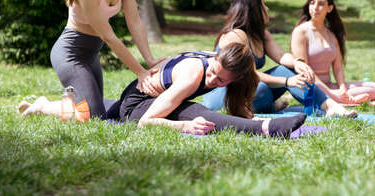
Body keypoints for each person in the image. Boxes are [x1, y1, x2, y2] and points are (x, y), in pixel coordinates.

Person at [18, 0, 162, 119]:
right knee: (93, 116)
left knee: (96, 109)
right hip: (70, 54)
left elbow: (134, 20)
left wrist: (149, 60)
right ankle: (42, 106)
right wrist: (140, 72)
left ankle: (63, 104)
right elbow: (109, 37)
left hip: (91, 53)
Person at [202, 0, 356, 117]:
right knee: (261, 89)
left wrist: (298, 63)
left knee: (290, 69)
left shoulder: (261, 34)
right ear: (254, 10)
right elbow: (248, 74)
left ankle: (329, 106)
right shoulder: (234, 36)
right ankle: (271, 106)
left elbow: (281, 56)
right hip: (222, 95)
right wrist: (287, 82)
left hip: (247, 90)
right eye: (264, 5)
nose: (267, 9)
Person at [120, 43, 307, 138]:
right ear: (215, 58)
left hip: (157, 99)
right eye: (212, 72)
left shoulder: (231, 70)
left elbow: (238, 99)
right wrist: (184, 126)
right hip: (135, 107)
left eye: (220, 80)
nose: (211, 80)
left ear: (237, 79)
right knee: (196, 113)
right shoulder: (193, 74)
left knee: (192, 111)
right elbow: (145, 122)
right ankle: (266, 129)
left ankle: (259, 125)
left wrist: (248, 117)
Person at [291, 0, 375, 104]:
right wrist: (330, 92)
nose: (315, 7)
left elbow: (338, 67)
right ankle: (341, 99)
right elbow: (304, 71)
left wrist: (342, 87)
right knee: (362, 91)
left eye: (321, 4)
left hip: (329, 86)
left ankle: (341, 97)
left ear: (330, 8)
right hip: (310, 86)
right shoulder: (300, 32)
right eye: (312, 3)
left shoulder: (331, 35)